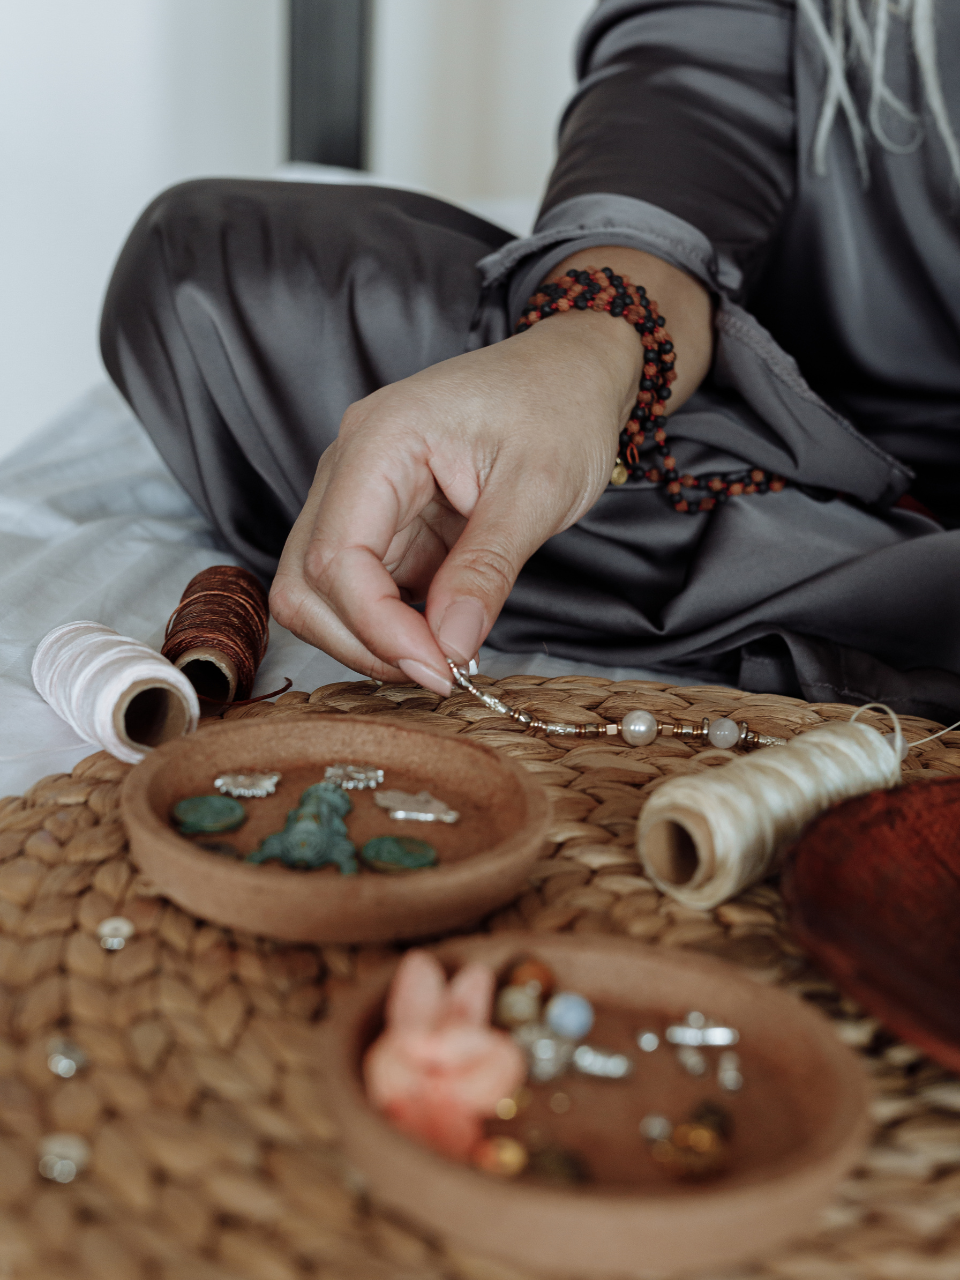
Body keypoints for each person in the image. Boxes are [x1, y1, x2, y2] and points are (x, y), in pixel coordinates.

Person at [100, 0, 960, 721]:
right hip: (777, 439)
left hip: (791, 525)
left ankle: (889, 609)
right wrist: (583, 350)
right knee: (206, 271)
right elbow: (691, 115)